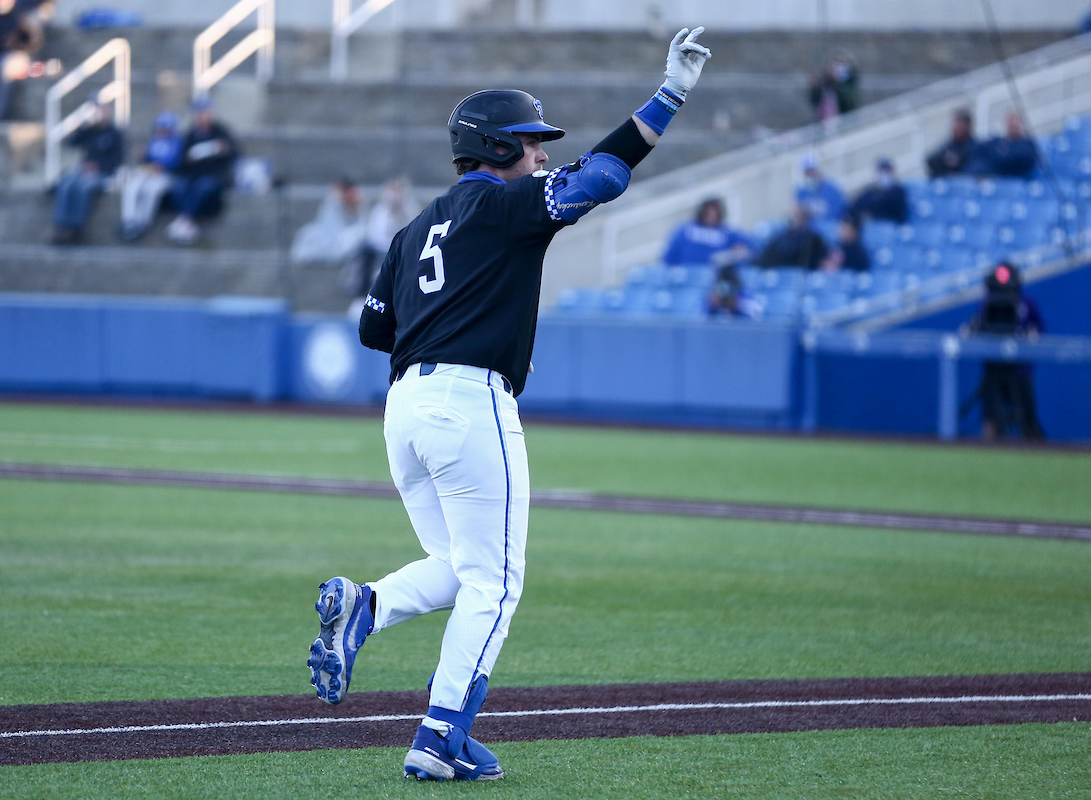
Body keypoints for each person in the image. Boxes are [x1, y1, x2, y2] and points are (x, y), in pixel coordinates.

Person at [307, 27, 711, 782]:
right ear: (494, 149)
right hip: (469, 401)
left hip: (404, 412)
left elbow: (372, 329)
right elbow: (602, 178)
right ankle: (437, 734)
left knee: (462, 568)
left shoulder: (413, 225)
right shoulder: (506, 208)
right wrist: (670, 95)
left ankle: (367, 609)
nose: (542, 155)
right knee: (497, 582)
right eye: (530, 143)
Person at [961, 261, 1044, 441]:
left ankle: (1039, 452)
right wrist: (970, 329)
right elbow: (978, 327)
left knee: (1029, 421)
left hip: (1020, 370)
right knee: (990, 420)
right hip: (993, 370)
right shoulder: (986, 302)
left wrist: (1031, 335)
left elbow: (1039, 331)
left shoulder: (1026, 303)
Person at [50, 95, 125, 244]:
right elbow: (72, 142)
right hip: (84, 171)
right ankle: (61, 225)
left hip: (103, 173)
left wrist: (98, 167)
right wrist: (85, 124)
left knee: (82, 187)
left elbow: (118, 159)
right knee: (65, 184)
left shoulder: (115, 133)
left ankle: (75, 228)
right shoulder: (90, 131)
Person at [165, 96, 239, 245]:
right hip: (193, 173)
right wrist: (190, 158)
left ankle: (185, 220)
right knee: (180, 186)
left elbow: (233, 154)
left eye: (205, 112)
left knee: (203, 186)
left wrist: (223, 150)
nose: (202, 115)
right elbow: (183, 159)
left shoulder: (221, 132)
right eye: (199, 112)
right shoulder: (191, 134)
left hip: (214, 174)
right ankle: (186, 221)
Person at [119, 112, 183, 241]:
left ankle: (143, 222)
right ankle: (129, 220)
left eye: (165, 127)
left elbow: (176, 163)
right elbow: (146, 160)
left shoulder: (177, 142)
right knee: (132, 186)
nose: (163, 130)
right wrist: (142, 156)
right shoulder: (154, 140)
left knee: (151, 190)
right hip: (148, 173)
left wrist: (161, 167)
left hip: (166, 176)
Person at [662, 197, 755, 267]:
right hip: (686, 275)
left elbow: (752, 248)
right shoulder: (685, 229)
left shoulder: (729, 233)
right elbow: (669, 257)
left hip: (715, 279)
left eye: (715, 212)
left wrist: (739, 252)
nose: (711, 216)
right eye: (708, 212)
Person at [757, 204, 828, 270]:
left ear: (805, 219)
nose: (791, 219)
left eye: (796, 216)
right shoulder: (782, 237)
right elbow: (765, 258)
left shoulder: (812, 239)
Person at [974, 112, 1039, 179]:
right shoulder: (997, 142)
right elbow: (978, 149)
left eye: (1015, 126)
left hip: (1014, 179)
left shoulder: (1027, 145)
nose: (1012, 127)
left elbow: (1022, 159)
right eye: (1010, 125)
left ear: (1021, 125)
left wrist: (999, 155)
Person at [849, 157, 908, 225]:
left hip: (893, 227)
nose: (884, 174)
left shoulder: (899, 191)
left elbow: (892, 206)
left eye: (887, 171)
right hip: (874, 227)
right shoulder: (870, 192)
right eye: (881, 171)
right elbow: (854, 208)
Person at [808, 51, 860, 122]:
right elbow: (815, 102)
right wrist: (815, 86)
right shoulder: (824, 85)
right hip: (825, 122)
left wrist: (840, 84)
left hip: (845, 121)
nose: (839, 68)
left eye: (841, 64)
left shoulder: (850, 84)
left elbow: (850, 103)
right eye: (836, 64)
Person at [795, 153, 846, 224]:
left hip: (830, 228)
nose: (810, 175)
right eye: (807, 173)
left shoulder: (833, 190)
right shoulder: (801, 191)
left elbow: (839, 214)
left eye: (812, 171)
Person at [926, 108, 978, 178]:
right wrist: (945, 159)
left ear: (967, 126)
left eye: (958, 124)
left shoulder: (974, 147)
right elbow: (930, 160)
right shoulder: (948, 145)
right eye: (954, 124)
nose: (954, 127)